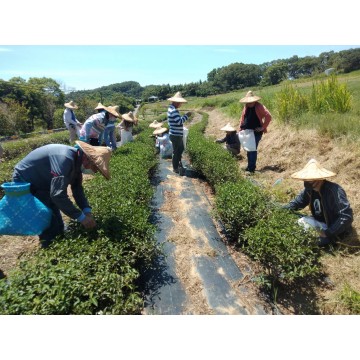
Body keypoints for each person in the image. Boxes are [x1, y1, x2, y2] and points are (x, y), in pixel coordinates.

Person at [12, 141, 112, 248]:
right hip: (27, 179)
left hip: (44, 180)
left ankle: (58, 237)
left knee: (55, 214)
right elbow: (57, 195)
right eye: (95, 168)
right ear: (87, 159)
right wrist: (81, 217)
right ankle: (49, 249)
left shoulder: (77, 162)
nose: (94, 171)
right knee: (49, 218)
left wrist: (86, 210)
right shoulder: (65, 160)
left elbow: (77, 188)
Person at [283, 159, 353, 246]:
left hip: (332, 228)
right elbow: (296, 204)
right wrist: (278, 210)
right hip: (319, 223)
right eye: (306, 180)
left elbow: (346, 216)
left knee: (306, 241)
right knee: (290, 217)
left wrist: (327, 233)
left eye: (310, 181)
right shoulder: (309, 190)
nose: (307, 183)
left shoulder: (334, 191)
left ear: (319, 179)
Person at [238, 90, 272, 173]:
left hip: (256, 132)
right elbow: (242, 118)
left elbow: (268, 116)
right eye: (248, 102)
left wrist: (262, 127)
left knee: (252, 149)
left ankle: (251, 169)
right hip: (247, 132)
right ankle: (249, 166)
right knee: (249, 149)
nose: (249, 104)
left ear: (254, 101)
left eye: (251, 102)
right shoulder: (246, 106)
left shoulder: (259, 106)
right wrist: (240, 129)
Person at [167, 91, 192, 173]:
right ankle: (175, 167)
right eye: (180, 103)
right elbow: (179, 122)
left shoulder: (171, 108)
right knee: (176, 151)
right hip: (176, 135)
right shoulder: (173, 111)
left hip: (175, 133)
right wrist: (186, 116)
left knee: (180, 149)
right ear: (176, 102)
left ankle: (178, 163)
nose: (181, 104)